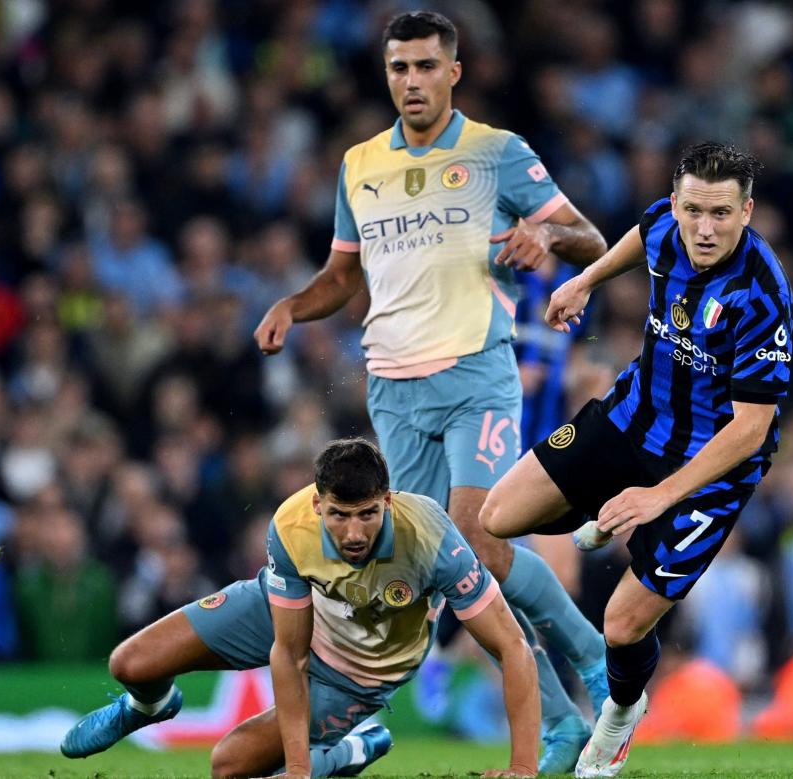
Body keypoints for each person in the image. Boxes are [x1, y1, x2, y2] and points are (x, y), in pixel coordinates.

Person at [253, 11, 609, 770]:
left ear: (454, 72)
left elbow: (591, 241)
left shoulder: (496, 153)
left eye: (423, 66)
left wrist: (543, 237)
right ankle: (561, 723)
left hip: (477, 371)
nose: (410, 81)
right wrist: (292, 303)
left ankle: (591, 655)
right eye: (397, 68)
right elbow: (342, 277)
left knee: (479, 535)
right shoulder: (359, 165)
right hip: (392, 387)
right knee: (436, 565)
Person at [481, 143, 793, 777]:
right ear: (676, 203)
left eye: (722, 215)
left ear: (748, 211)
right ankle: (602, 512)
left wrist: (662, 496)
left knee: (621, 626)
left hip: (710, 471)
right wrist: (584, 279)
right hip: (629, 421)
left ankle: (620, 714)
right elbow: (640, 236)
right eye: (693, 211)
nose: (704, 229)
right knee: (498, 517)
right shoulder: (665, 225)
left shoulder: (762, 296)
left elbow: (752, 429)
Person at [60, 438, 539, 779]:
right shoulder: (290, 525)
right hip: (285, 611)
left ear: (388, 503)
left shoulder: (431, 539)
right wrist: (295, 767)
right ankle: (152, 705)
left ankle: (349, 750)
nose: (354, 533)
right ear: (316, 505)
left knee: (227, 765)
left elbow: (512, 645)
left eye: (368, 514)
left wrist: (521, 768)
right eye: (339, 515)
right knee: (130, 663)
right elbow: (289, 654)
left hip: (361, 669)